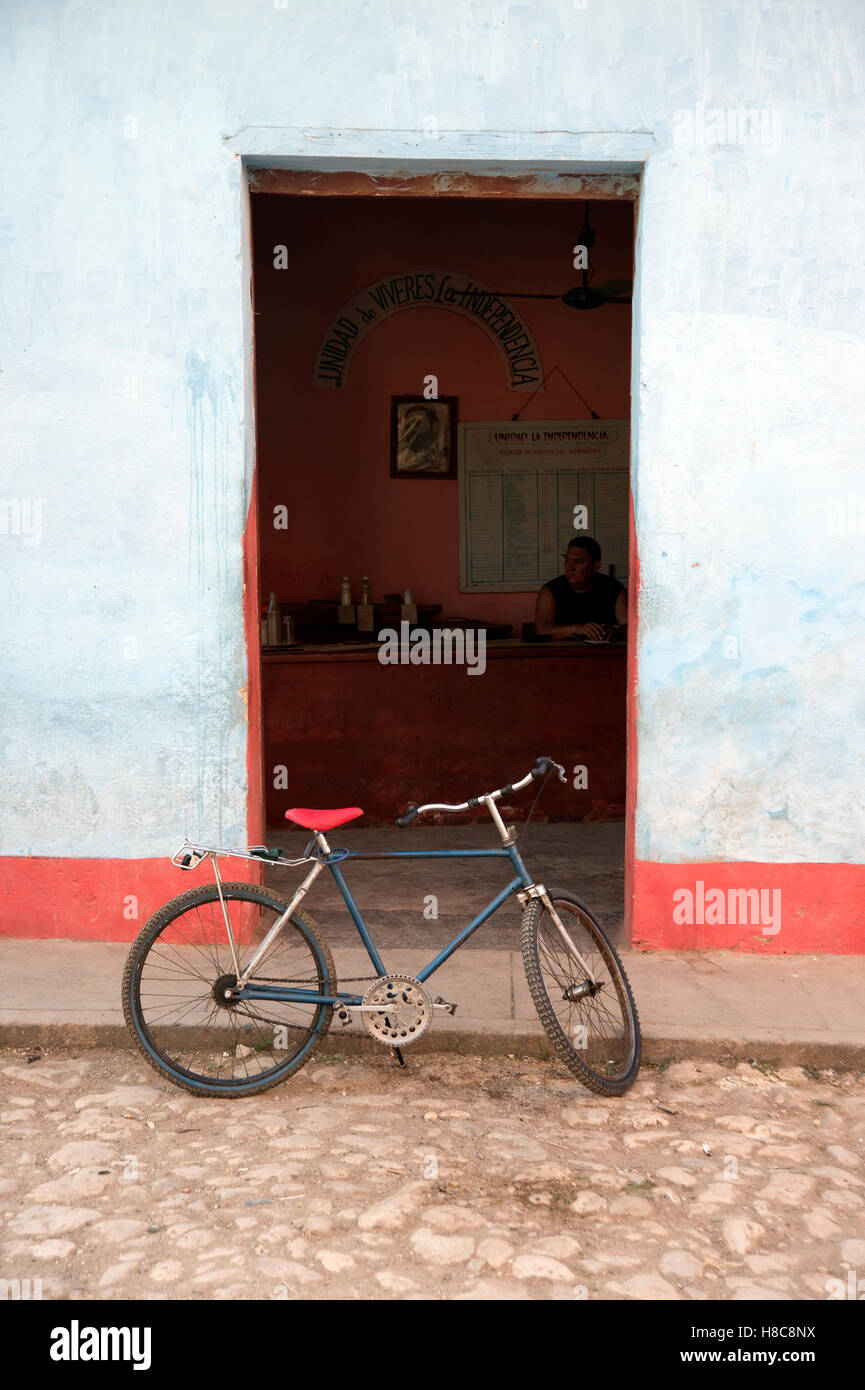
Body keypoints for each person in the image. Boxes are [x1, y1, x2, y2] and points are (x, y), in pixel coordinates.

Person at [534, 535, 627, 639]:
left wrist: (614, 631)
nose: (569, 567)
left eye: (578, 562)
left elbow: (629, 627)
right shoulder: (551, 591)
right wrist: (577, 629)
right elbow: (541, 630)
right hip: (564, 653)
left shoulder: (613, 589)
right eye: (567, 560)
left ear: (595, 567)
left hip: (603, 653)